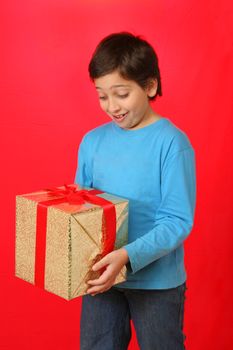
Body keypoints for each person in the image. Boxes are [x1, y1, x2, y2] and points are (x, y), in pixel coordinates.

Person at [74, 31, 196, 350]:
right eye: (102, 96)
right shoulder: (91, 142)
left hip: (157, 285)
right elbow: (82, 208)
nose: (111, 106)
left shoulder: (172, 143)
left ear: (150, 86)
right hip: (101, 280)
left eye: (121, 94)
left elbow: (176, 221)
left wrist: (126, 257)